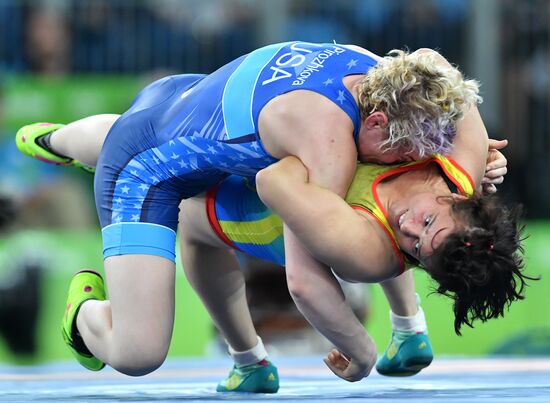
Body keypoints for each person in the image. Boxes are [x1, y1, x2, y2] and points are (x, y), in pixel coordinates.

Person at [15, 41, 484, 384]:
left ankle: (56, 140)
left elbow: (435, 62)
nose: (407, 162)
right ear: (378, 122)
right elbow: (303, 279)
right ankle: (83, 316)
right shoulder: (330, 147)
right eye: (403, 150)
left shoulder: (379, 70)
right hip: (147, 174)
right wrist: (358, 353)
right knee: (138, 354)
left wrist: (482, 159)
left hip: (185, 99)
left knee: (139, 129)